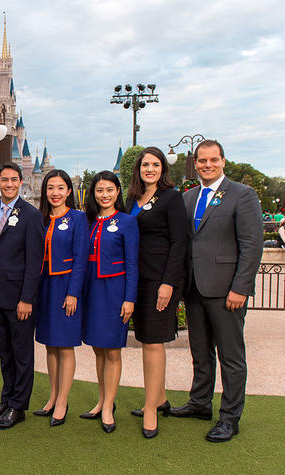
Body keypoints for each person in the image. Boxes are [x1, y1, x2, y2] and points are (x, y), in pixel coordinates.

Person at [170, 140, 263, 442]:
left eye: (213, 160)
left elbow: (252, 246)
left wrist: (241, 288)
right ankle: (199, 404)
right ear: (195, 163)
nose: (207, 165)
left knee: (231, 356)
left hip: (227, 292)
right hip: (195, 288)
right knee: (200, 352)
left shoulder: (243, 195)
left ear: (223, 161)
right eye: (201, 160)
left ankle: (230, 418)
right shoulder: (188, 197)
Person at [124, 147, 187, 438]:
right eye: (145, 164)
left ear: (163, 168)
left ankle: (150, 409)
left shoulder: (171, 198)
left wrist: (168, 282)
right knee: (144, 337)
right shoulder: (132, 199)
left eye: (155, 164)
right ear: (138, 169)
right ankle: (159, 398)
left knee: (152, 342)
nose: (150, 169)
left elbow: (179, 243)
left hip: (159, 281)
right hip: (135, 278)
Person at [0, 163, 44, 430]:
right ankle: (7, 399)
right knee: (4, 352)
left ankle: (18, 406)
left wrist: (27, 298)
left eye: (13, 180)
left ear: (21, 182)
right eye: (4, 179)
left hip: (20, 299)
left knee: (21, 353)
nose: (8, 184)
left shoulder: (30, 215)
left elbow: (34, 260)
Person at [79, 171, 138, 434]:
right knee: (98, 349)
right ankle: (103, 400)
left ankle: (108, 406)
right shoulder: (87, 221)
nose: (104, 195)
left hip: (114, 292)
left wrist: (129, 298)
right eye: (100, 190)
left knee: (112, 350)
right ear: (94, 193)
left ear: (117, 192)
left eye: (109, 190)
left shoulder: (127, 222)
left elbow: (133, 264)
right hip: (91, 290)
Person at [31, 169, 87, 427]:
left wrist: (73, 292)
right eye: (51, 188)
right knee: (50, 345)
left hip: (66, 286)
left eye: (60, 188)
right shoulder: (40, 219)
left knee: (64, 345)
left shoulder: (78, 218)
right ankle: (52, 397)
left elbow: (81, 259)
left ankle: (63, 401)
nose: (55, 193)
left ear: (68, 191)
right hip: (44, 286)